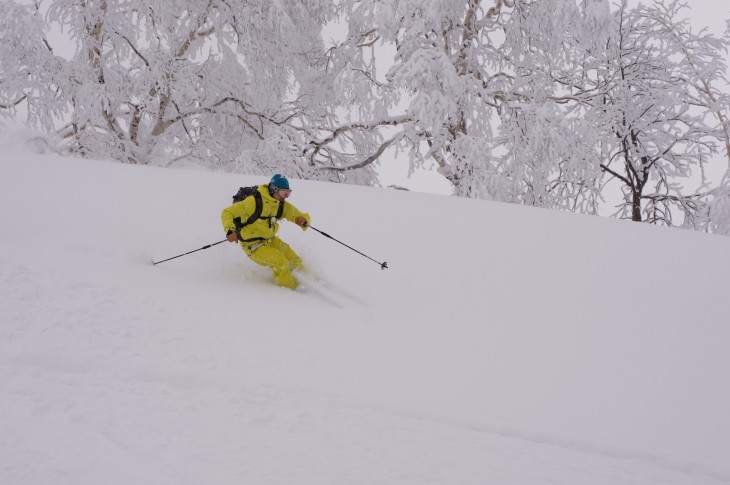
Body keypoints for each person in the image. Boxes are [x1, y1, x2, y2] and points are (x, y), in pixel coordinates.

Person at [221, 174, 311, 290]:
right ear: (274, 189)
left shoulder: (280, 205)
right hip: (252, 245)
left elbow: (296, 214)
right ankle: (290, 290)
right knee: (280, 261)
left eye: (288, 193)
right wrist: (230, 230)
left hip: (270, 239)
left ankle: (311, 282)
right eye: (284, 193)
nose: (286, 197)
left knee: (294, 259)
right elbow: (227, 212)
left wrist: (303, 220)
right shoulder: (253, 202)